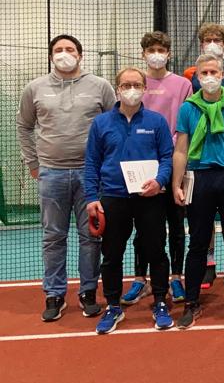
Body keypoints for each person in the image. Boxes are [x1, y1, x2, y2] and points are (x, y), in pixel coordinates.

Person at [17, 34, 115, 322]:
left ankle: (88, 292)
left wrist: (107, 165)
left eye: (69, 49)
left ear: (80, 55)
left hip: (91, 175)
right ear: (51, 56)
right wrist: (33, 163)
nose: (64, 54)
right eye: (58, 50)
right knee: (53, 237)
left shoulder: (100, 86)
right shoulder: (35, 88)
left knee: (91, 236)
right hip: (51, 173)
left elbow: (114, 125)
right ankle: (54, 294)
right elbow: (24, 126)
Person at [83, 67, 174, 334]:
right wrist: (91, 197)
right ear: (117, 89)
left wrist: (159, 181)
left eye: (136, 84)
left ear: (145, 88)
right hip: (113, 197)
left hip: (150, 197)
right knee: (112, 255)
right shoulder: (101, 123)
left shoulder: (157, 121)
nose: (131, 89)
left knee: (156, 250)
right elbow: (92, 162)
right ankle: (113, 306)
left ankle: (160, 301)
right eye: (126, 85)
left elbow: (167, 157)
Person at [172, 54, 224, 329]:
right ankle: (191, 302)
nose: (209, 77)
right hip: (198, 178)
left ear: (222, 75)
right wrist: (176, 184)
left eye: (213, 72)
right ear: (196, 77)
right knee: (197, 243)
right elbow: (181, 150)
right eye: (203, 73)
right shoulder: (188, 108)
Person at [123, 31, 192, 307]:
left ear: (169, 54)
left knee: (176, 223)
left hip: (174, 161)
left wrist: (169, 149)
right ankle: (141, 278)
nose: (156, 54)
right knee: (143, 227)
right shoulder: (135, 83)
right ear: (143, 54)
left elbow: (185, 124)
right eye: (151, 49)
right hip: (140, 165)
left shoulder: (183, 84)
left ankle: (176, 277)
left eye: (161, 49)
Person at [182, 23, 224, 290]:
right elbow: (190, 111)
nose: (212, 43)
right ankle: (208, 265)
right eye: (207, 39)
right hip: (199, 167)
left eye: (217, 40)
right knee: (199, 233)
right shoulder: (189, 75)